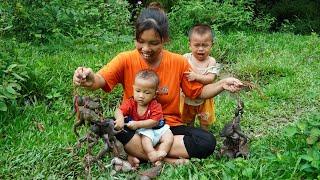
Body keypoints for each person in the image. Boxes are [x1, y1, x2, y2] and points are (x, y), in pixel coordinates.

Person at [73, 6, 243, 168]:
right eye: (141, 42)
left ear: (164, 39)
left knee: (207, 142)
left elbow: (196, 92)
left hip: (167, 126)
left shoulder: (178, 62)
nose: (146, 49)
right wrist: (89, 78)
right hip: (135, 124)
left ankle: (137, 153)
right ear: (135, 38)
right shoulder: (125, 59)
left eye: (153, 43)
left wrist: (222, 84)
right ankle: (166, 158)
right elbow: (100, 80)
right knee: (112, 125)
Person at [114, 69, 173, 165]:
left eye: (147, 93)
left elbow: (154, 121)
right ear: (133, 88)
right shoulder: (131, 103)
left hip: (157, 128)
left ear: (155, 94)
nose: (141, 95)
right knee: (146, 140)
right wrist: (120, 119)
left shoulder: (155, 105)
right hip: (144, 131)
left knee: (169, 137)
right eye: (138, 91)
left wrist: (137, 124)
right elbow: (118, 110)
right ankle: (151, 154)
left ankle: (160, 154)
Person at [180, 24, 220, 131]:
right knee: (188, 121)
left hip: (204, 98)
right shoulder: (185, 58)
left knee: (204, 121)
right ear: (190, 45)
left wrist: (196, 77)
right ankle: (190, 133)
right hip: (187, 97)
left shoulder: (211, 61)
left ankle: (204, 135)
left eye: (205, 45)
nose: (201, 49)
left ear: (212, 45)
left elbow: (211, 78)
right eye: (197, 45)